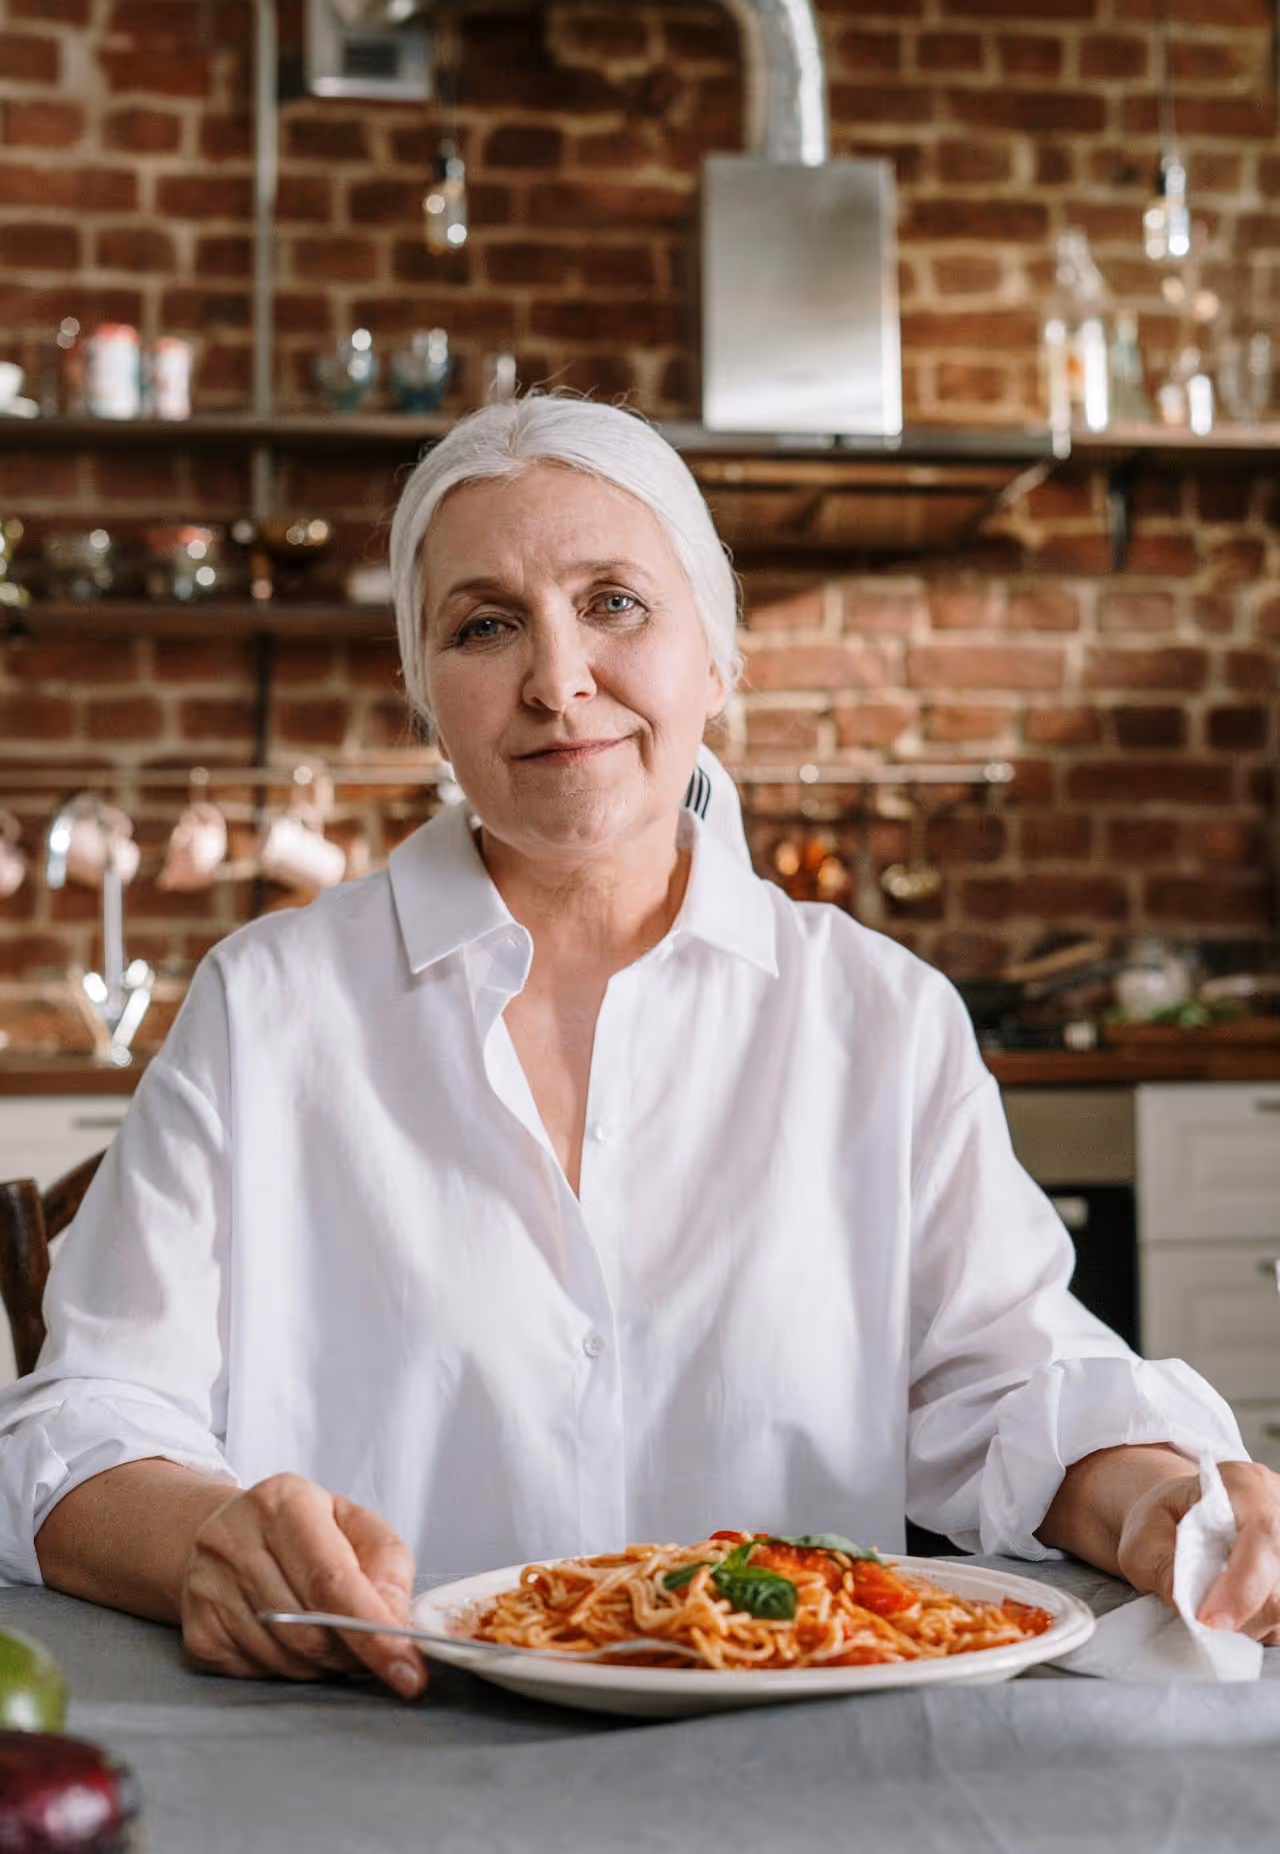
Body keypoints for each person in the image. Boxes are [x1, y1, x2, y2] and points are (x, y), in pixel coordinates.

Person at [2, 397, 1277, 1706]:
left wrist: (1173, 1506)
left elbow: (1015, 1393)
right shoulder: (265, 1006)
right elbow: (78, 1427)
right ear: (428, 703)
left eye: (614, 604)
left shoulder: (879, 1018)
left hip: (805, 1767)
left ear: (715, 661)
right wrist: (203, 1538)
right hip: (377, 1749)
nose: (559, 679)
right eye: (485, 625)